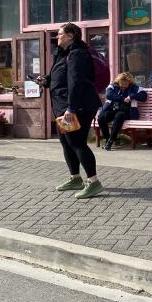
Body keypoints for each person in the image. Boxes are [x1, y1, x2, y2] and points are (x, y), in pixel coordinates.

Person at [36, 23, 103, 199]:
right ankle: (75, 178)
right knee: (66, 142)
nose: (57, 37)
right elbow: (60, 77)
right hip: (62, 106)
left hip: (76, 106)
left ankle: (93, 182)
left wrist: (71, 108)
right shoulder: (63, 54)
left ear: (71, 35)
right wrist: (45, 80)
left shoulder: (78, 54)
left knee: (77, 142)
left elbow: (76, 82)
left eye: (59, 34)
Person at [98, 72, 147, 151]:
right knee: (101, 117)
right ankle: (107, 138)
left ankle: (111, 141)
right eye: (122, 84)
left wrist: (131, 96)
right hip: (112, 109)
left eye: (126, 84)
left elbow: (144, 96)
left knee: (119, 116)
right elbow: (109, 95)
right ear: (118, 82)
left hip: (126, 112)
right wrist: (122, 98)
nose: (124, 86)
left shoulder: (134, 88)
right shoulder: (113, 86)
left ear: (129, 82)